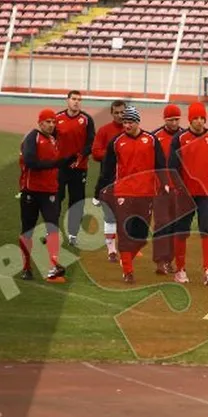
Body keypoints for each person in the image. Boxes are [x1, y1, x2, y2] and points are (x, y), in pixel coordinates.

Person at [100, 106, 164, 285]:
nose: (126, 125)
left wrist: (166, 185)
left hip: (145, 193)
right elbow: (107, 169)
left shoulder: (151, 140)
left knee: (141, 236)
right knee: (125, 232)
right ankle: (128, 271)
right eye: (124, 122)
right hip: (123, 192)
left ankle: (126, 258)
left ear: (137, 122)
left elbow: (161, 164)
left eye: (130, 122)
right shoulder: (116, 142)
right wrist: (102, 189)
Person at [167, 102, 208, 286]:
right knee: (181, 231)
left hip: (206, 194)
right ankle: (180, 270)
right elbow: (172, 167)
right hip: (186, 194)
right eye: (196, 118)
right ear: (190, 119)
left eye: (202, 118)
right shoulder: (180, 139)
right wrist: (179, 188)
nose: (199, 121)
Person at [17, 108, 66, 283]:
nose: (51, 125)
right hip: (31, 191)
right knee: (27, 230)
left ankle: (53, 266)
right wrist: (55, 164)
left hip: (50, 191)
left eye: (53, 122)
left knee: (52, 227)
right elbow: (30, 161)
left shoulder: (52, 139)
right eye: (48, 122)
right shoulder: (32, 138)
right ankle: (26, 267)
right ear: (40, 122)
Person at [54, 90, 96, 246]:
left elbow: (91, 142)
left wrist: (81, 156)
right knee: (56, 199)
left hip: (79, 168)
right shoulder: (57, 118)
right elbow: (51, 139)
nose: (76, 102)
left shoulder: (86, 120)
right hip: (60, 168)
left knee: (76, 201)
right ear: (67, 100)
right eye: (74, 99)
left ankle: (73, 234)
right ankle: (52, 231)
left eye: (79, 99)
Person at [90, 99, 126, 262]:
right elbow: (95, 153)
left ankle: (125, 246)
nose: (120, 115)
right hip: (109, 180)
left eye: (122, 112)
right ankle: (111, 250)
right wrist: (115, 154)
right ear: (111, 114)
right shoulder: (104, 131)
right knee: (110, 216)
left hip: (128, 181)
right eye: (116, 113)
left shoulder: (132, 130)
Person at [151, 104, 183, 274]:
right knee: (161, 223)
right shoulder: (155, 137)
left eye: (177, 119)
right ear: (165, 119)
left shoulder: (185, 136)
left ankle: (169, 260)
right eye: (171, 120)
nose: (174, 123)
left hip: (179, 189)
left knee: (175, 225)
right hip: (160, 189)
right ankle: (160, 261)